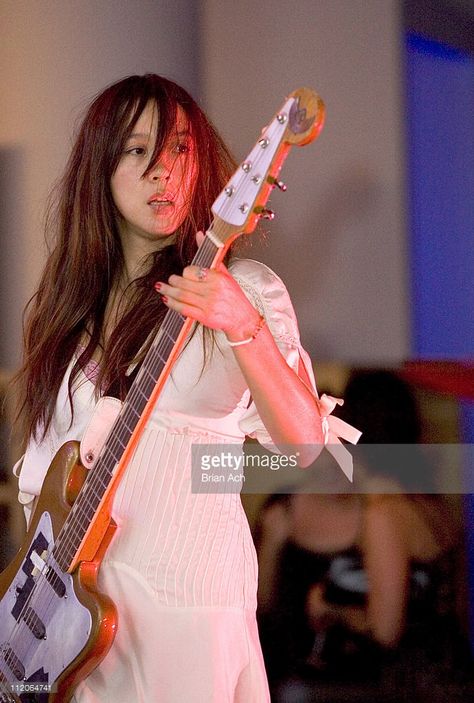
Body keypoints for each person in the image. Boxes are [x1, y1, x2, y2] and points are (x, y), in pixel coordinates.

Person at [11, 74, 332, 702]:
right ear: (99, 170)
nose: (163, 170)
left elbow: (303, 446)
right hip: (69, 621)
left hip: (186, 601)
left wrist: (243, 327)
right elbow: (40, 486)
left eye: (180, 149)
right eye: (137, 150)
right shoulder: (64, 316)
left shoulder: (243, 287)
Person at [256, 371, 471, 702]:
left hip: (414, 687)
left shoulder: (382, 512)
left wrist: (331, 608)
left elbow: (385, 633)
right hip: (452, 678)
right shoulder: (431, 503)